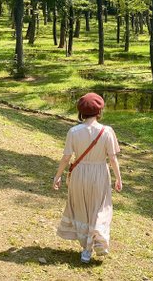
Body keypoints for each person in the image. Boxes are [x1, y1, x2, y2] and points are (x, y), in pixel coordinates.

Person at [53, 93, 123, 263]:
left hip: (79, 174)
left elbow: (66, 157)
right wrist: (119, 178)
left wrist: (57, 176)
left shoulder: (73, 131)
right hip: (99, 172)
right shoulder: (107, 131)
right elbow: (112, 158)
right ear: (99, 111)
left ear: (81, 112)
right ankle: (98, 237)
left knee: (82, 209)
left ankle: (86, 250)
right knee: (100, 207)